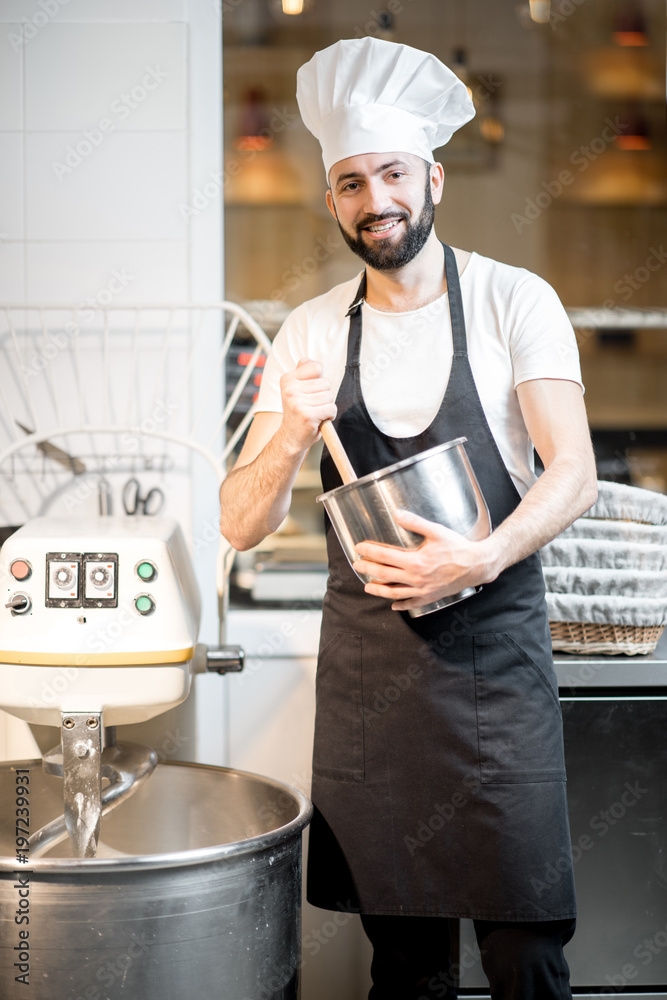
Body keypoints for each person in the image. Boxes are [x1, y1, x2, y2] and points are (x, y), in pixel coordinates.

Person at [220, 36, 598, 1000]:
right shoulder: (310, 329)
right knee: (407, 964)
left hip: (496, 666)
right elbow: (239, 523)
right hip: (372, 681)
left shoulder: (517, 301)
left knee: (523, 952)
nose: (373, 200)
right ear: (333, 198)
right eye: (350, 182)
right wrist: (291, 434)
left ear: (432, 178)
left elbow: (573, 473)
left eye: (391, 174)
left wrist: (477, 560)